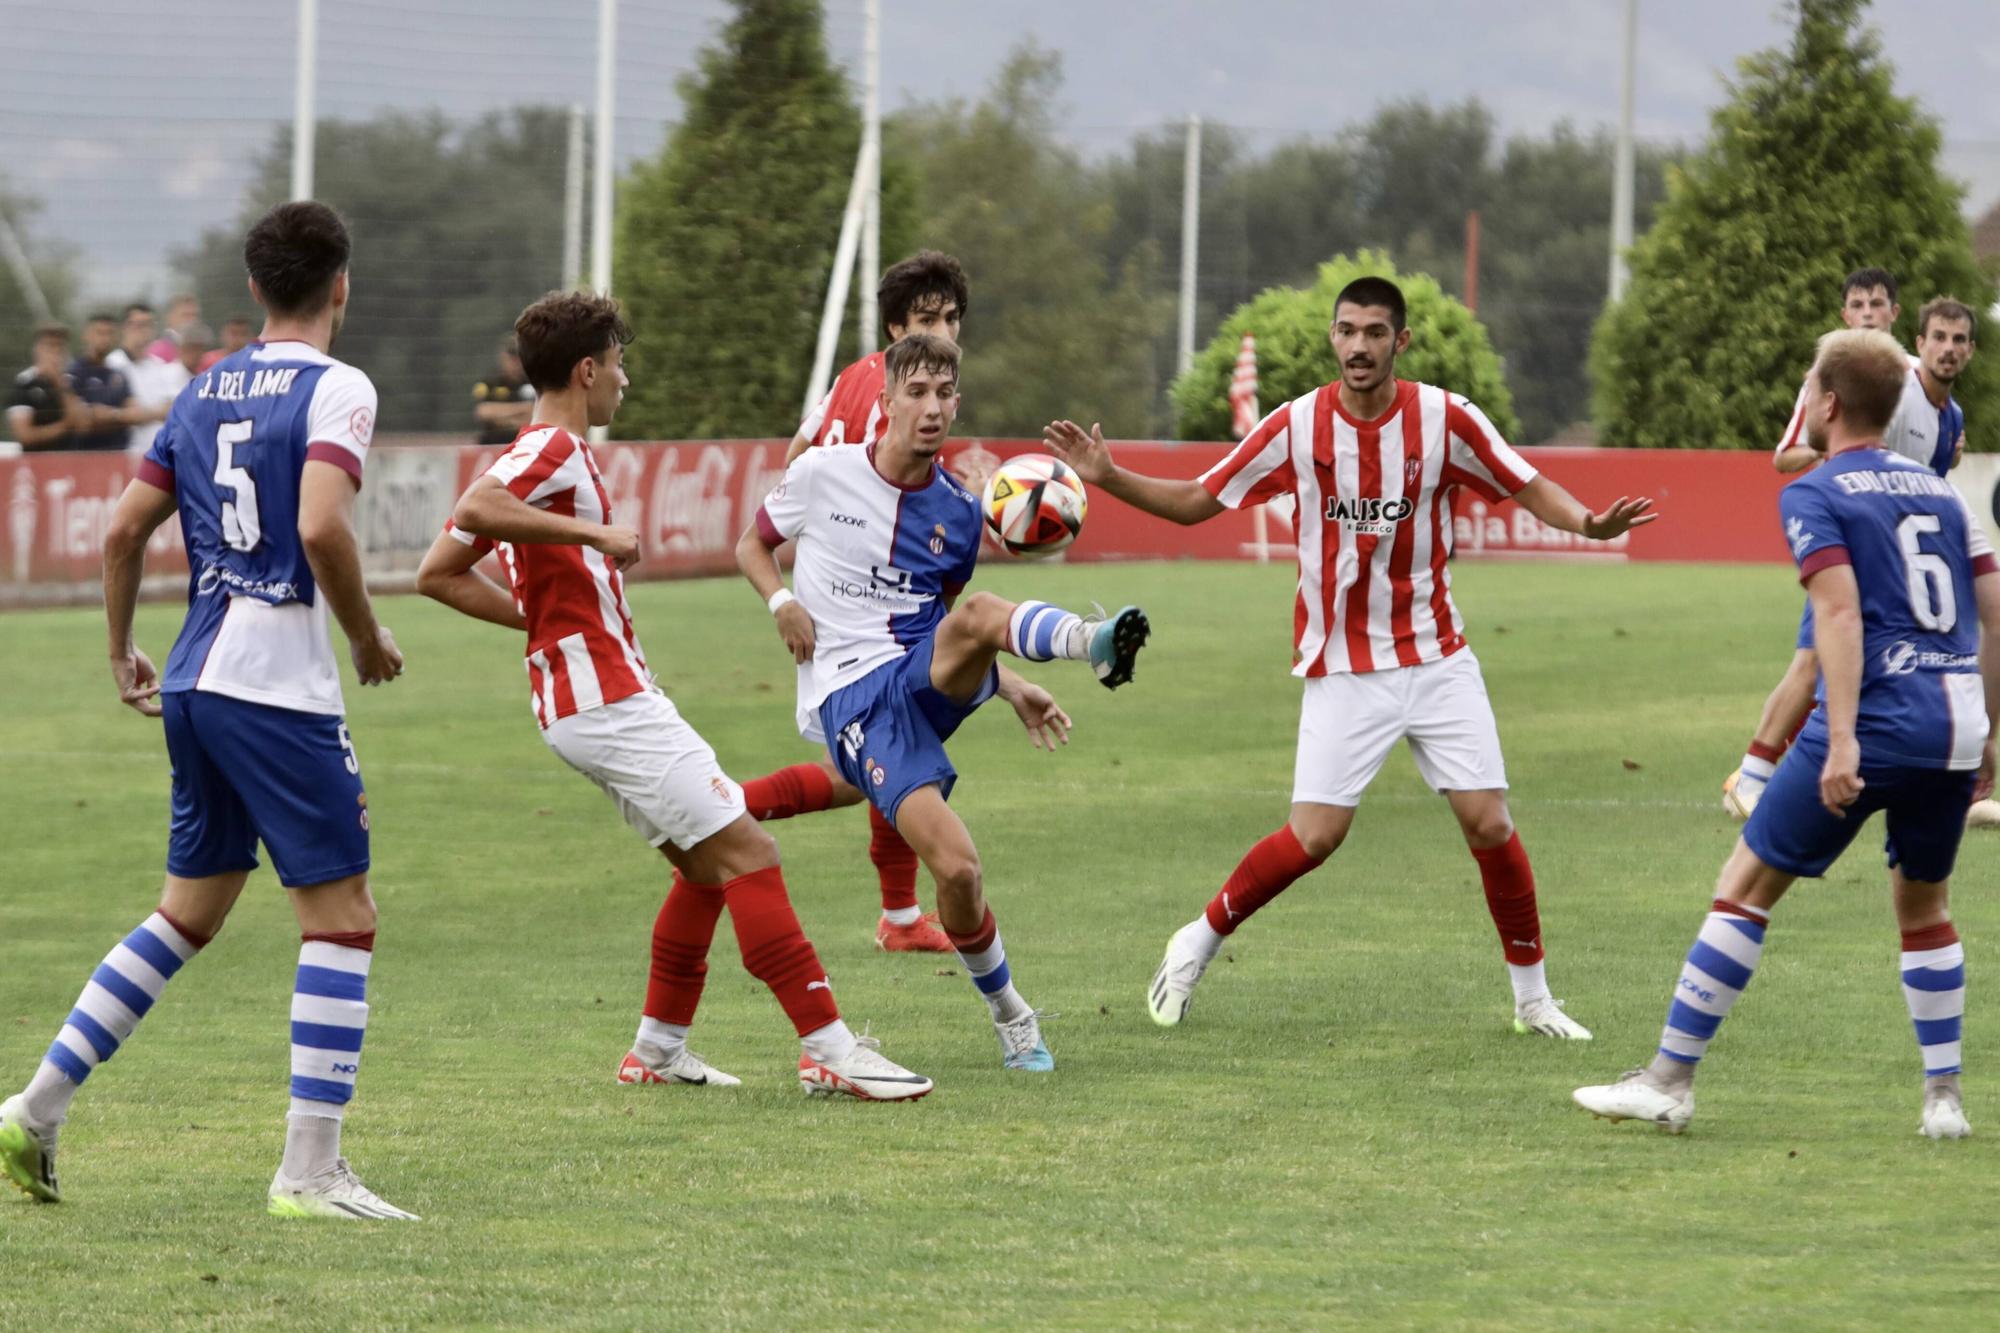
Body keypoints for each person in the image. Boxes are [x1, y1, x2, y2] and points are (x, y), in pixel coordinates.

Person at [1043, 276, 1656, 1039]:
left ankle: (1533, 999)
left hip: (1437, 654)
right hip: (1342, 664)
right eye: (1346, 330)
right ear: (1333, 339)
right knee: (1315, 837)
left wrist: (1589, 523)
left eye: (1373, 332)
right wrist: (1108, 477)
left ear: (1400, 341)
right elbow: (1200, 500)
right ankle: (1196, 939)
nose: (1358, 345)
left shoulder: (1444, 419)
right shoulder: (1296, 427)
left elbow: (1527, 485)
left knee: (1490, 822)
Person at [0, 201, 418, 1219]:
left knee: (187, 912)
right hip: (275, 687)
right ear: (341, 286)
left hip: (192, 679)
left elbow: (120, 533)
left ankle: (33, 1108)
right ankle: (308, 1170)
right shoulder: (338, 386)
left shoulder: (203, 386)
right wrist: (366, 635)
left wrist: (119, 650)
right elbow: (322, 526)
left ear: (254, 289)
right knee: (342, 917)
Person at [415, 290, 930, 1102]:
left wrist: (547, 617)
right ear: (587, 371)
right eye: (618, 362)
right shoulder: (550, 446)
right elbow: (474, 510)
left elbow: (438, 572)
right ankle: (829, 1048)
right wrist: (597, 538)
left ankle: (656, 1049)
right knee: (750, 854)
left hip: (586, 700)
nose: (626, 377)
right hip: (609, 703)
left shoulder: (550, 452)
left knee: (703, 869)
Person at [1575, 328, 1992, 1139]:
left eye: (1809, 384)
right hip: (1954, 727)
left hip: (1874, 724)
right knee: (1927, 906)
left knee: (1744, 885)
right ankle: (1944, 1100)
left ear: (1828, 403)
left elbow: (1835, 614)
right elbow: (1996, 618)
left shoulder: (1816, 491)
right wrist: (1991, 738)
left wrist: (1840, 742)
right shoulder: (1948, 493)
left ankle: (1668, 1079)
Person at [739, 332, 1151, 1072]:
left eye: (944, 395)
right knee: (959, 871)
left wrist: (1011, 682)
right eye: (917, 393)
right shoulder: (822, 475)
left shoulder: (961, 514)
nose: (931, 409)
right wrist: (779, 602)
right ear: (888, 399)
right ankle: (1011, 1013)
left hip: (915, 678)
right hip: (851, 699)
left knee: (985, 604)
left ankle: (1093, 639)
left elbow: (954, 627)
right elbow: (749, 544)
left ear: (957, 402)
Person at [741, 251, 971, 954]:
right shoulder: (898, 388)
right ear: (895, 326)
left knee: (890, 760)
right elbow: (888, 488)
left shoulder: (856, 377)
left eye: (953, 319)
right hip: (862, 602)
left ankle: (899, 916)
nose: (946, 331)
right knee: (881, 761)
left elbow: (802, 447)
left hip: (846, 583)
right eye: (929, 319)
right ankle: (723, 808)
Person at [1726, 275, 1979, 820]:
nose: (1948, 349)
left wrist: (1949, 456)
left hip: (1901, 567)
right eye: (1940, 338)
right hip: (1853, 546)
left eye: (1959, 340)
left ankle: (1928, 779)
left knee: (1900, 664)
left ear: (1894, 314)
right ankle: (1750, 775)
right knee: (1817, 660)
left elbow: (1927, 474)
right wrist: (1837, 458)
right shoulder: (1868, 384)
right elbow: (1792, 454)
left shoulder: (1944, 410)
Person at [104, 303, 174, 453]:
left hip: (159, 452)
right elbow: (128, 415)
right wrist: (156, 412)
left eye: (149, 325)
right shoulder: (112, 363)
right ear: (125, 327)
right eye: (139, 325)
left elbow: (171, 409)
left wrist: (142, 414)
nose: (144, 331)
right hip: (126, 452)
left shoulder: (159, 365)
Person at [6, 324, 88, 449]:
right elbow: (24, 435)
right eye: (50, 345)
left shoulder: (70, 381)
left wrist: (60, 384)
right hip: (38, 462)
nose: (55, 352)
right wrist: (64, 426)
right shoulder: (25, 383)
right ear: (37, 349)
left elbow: (83, 425)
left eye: (60, 346)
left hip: (70, 461)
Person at [67, 314, 137, 452]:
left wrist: (109, 415)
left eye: (109, 333)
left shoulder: (118, 374)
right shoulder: (74, 372)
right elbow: (82, 423)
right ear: (86, 335)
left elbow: (136, 415)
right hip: (85, 455)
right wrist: (121, 416)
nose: (105, 338)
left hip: (118, 455)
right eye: (99, 332)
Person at [471, 337, 536, 445]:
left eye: (519, 358)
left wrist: (500, 416)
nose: (516, 363)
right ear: (503, 357)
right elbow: (483, 412)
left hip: (524, 443)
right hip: (492, 443)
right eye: (512, 358)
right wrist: (522, 409)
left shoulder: (534, 382)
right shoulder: (490, 382)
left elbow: (535, 415)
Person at [146, 293, 201, 363]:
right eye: (186, 315)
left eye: (195, 315)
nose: (192, 320)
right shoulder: (157, 351)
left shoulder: (200, 352)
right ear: (170, 318)